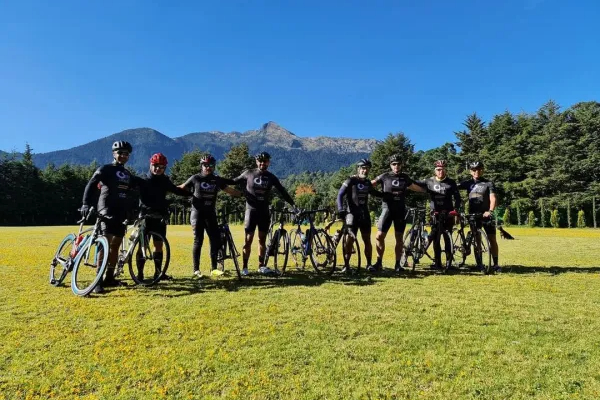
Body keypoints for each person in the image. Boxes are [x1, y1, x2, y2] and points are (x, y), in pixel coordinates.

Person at [80, 140, 140, 293]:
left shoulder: (127, 174)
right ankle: (97, 281)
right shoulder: (105, 169)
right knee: (104, 244)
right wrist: (86, 203)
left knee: (116, 246)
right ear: (114, 154)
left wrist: (134, 209)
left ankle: (110, 277)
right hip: (106, 209)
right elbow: (91, 184)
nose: (123, 156)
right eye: (120, 153)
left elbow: (133, 192)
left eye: (126, 154)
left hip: (121, 212)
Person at [232, 152, 296, 276]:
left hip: (264, 211)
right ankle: (244, 267)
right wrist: (216, 180)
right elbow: (233, 181)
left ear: (268, 162)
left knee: (262, 240)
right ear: (256, 162)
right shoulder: (248, 173)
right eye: (260, 161)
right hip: (251, 211)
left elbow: (282, 191)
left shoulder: (271, 177)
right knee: (248, 240)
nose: (262, 163)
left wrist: (293, 204)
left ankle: (261, 266)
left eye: (265, 161)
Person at [179, 154, 241, 278]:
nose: (208, 168)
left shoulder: (216, 179)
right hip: (197, 214)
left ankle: (214, 269)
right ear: (201, 166)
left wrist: (244, 194)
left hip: (210, 214)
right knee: (198, 240)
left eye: (210, 165)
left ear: (214, 166)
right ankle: (196, 270)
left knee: (215, 241)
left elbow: (230, 190)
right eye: (205, 165)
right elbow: (181, 188)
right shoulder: (195, 178)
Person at [136, 153, 192, 281]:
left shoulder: (165, 180)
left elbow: (175, 190)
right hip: (145, 216)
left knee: (159, 245)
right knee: (142, 247)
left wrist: (192, 194)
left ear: (165, 168)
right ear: (150, 165)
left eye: (161, 167)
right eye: (155, 166)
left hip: (160, 217)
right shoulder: (143, 179)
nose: (158, 169)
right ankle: (139, 275)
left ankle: (158, 273)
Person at [371, 154, 425, 272]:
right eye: (394, 164)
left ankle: (397, 265)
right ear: (391, 165)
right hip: (387, 210)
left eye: (398, 164)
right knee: (379, 236)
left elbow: (416, 187)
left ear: (402, 165)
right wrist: (357, 183)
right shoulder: (384, 176)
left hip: (400, 210)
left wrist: (430, 190)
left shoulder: (405, 177)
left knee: (399, 238)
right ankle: (379, 263)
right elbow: (370, 184)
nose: (396, 166)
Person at [336, 158, 382, 274]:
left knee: (367, 240)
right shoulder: (351, 180)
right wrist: (341, 209)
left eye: (367, 168)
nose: (365, 170)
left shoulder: (367, 183)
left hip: (364, 214)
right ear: (358, 169)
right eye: (363, 168)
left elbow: (375, 193)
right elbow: (340, 195)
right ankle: (346, 265)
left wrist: (388, 195)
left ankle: (369, 264)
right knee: (350, 240)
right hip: (351, 214)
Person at [416, 160, 461, 270]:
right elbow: (414, 183)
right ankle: (437, 263)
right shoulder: (429, 181)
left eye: (443, 169)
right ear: (435, 170)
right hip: (434, 213)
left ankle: (448, 262)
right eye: (438, 169)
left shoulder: (451, 182)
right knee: (436, 238)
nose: (441, 171)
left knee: (447, 238)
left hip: (448, 213)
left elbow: (458, 198)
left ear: (446, 170)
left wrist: (456, 209)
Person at [458, 161, 500, 272]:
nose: (477, 172)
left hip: (486, 214)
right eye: (474, 170)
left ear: (483, 170)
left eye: (479, 169)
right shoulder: (467, 183)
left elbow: (493, 198)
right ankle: (479, 263)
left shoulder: (488, 183)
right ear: (470, 171)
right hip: (473, 215)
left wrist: (490, 211)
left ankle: (495, 264)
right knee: (477, 240)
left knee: (492, 239)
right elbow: (451, 187)